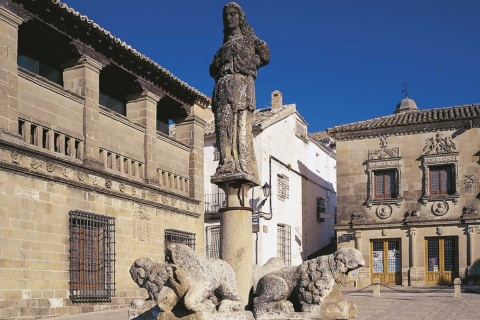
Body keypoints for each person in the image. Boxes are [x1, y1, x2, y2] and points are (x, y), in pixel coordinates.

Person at [210, 2, 270, 182]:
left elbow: (266, 55)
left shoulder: (250, 41)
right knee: (223, 127)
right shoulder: (222, 49)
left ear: (240, 17)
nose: (229, 18)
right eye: (226, 15)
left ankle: (241, 162)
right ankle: (226, 161)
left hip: (242, 85)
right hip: (223, 88)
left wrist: (253, 63)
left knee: (241, 124)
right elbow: (212, 69)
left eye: (233, 14)